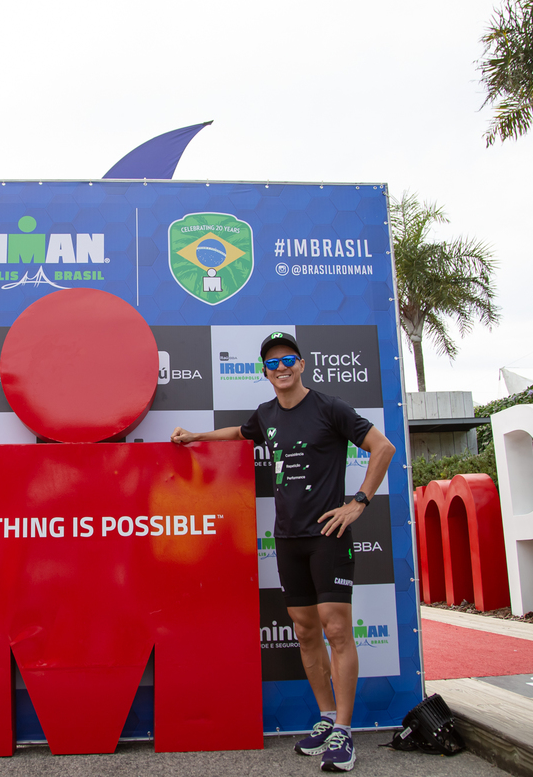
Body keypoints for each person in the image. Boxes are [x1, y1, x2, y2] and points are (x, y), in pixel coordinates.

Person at [172, 331, 395, 773]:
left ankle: (345, 733)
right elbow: (240, 431)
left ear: (302, 364)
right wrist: (196, 435)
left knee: (336, 629)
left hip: (328, 537)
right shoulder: (266, 414)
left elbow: (382, 447)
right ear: (264, 372)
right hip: (288, 540)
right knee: (305, 630)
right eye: (272, 363)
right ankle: (327, 718)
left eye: (288, 359)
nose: (281, 368)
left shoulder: (329, 407)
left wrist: (359, 502)